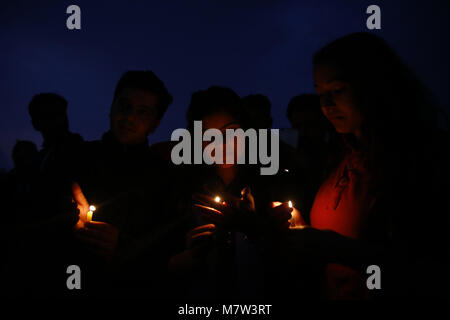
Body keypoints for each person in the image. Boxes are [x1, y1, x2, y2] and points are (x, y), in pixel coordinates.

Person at [195, 32, 450, 299]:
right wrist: (272, 228)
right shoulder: (341, 164)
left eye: (338, 90)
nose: (327, 105)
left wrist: (333, 246)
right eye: (321, 93)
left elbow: (428, 267)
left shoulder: (425, 160)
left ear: (375, 85)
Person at [169, 86, 309, 300]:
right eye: (209, 135)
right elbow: (165, 268)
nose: (220, 144)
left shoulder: (274, 185)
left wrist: (258, 231)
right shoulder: (184, 189)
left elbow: (298, 263)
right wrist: (192, 254)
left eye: (230, 132)